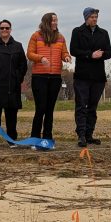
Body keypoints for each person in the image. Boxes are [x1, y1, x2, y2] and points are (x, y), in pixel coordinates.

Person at [70, 7, 111, 147]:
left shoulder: (103, 33)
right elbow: (74, 50)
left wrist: (102, 54)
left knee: (92, 107)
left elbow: (110, 52)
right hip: (82, 75)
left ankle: (89, 135)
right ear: (86, 18)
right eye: (92, 17)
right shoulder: (77, 32)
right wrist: (90, 54)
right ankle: (81, 135)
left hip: (98, 76)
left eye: (96, 17)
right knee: (81, 106)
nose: (94, 19)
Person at [26, 12, 71, 148]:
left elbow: (64, 52)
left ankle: (47, 139)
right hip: (39, 76)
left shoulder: (60, 37)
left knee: (50, 109)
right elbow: (29, 54)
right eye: (53, 20)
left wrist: (67, 57)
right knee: (40, 109)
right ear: (46, 22)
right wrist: (41, 58)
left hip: (55, 77)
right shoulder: (36, 36)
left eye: (56, 20)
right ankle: (35, 139)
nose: (56, 23)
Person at [0, 20, 28, 147]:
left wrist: (18, 78)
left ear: (10, 29)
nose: (4, 30)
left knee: (11, 116)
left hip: (12, 86)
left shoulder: (18, 46)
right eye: (2, 28)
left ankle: (12, 140)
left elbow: (23, 65)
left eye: (7, 28)